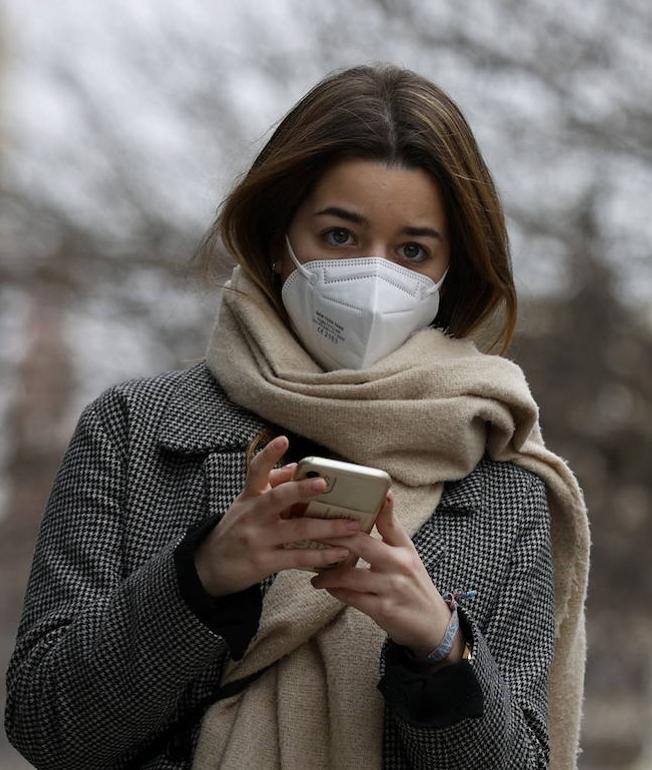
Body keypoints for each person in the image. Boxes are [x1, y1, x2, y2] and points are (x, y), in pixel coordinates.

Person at [3, 63, 591, 770]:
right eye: (340, 237)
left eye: (412, 251)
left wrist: (440, 647)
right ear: (280, 239)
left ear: (450, 272)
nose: (375, 279)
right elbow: (45, 726)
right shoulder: (135, 431)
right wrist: (202, 578)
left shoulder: (503, 483)